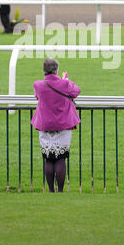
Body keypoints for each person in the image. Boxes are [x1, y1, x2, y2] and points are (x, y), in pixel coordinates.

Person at [31, 58, 81, 193]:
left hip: (45, 124)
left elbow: (38, 96)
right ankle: (60, 190)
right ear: (57, 70)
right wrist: (66, 80)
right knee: (60, 158)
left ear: (44, 70)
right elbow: (76, 91)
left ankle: (51, 190)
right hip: (63, 123)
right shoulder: (64, 84)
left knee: (48, 157)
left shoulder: (38, 85)